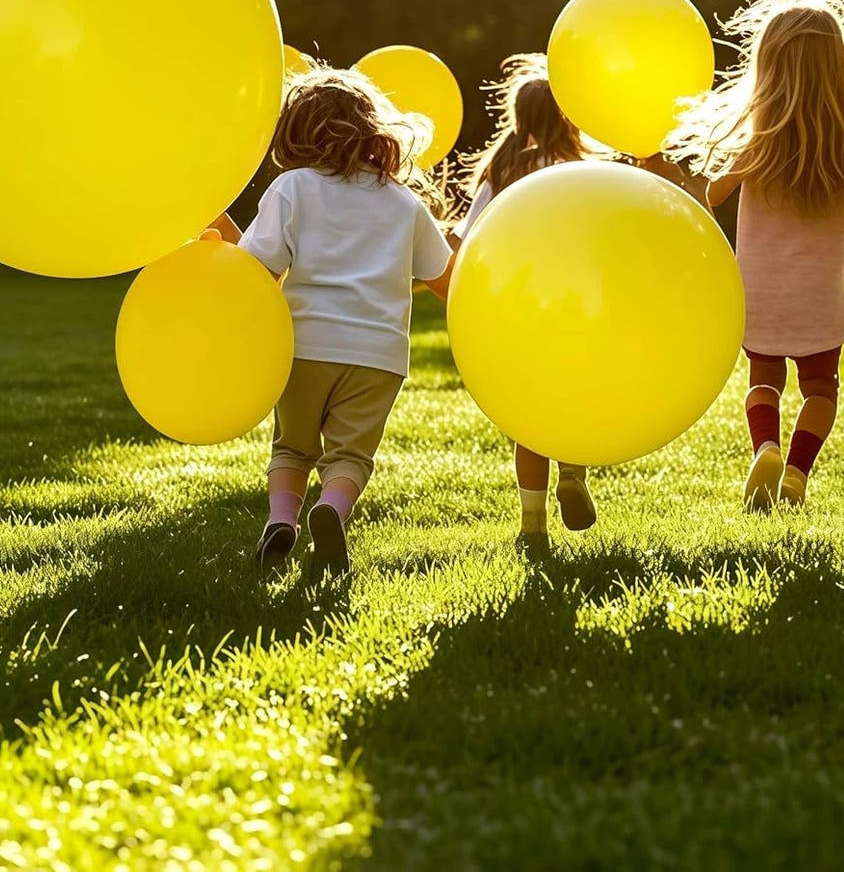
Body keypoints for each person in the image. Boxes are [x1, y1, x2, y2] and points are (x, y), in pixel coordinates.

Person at [670, 0, 844, 512]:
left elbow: (714, 193)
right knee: (820, 387)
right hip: (821, 290)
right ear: (838, 59)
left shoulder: (764, 128)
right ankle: (795, 473)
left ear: (770, 63)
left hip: (759, 286)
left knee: (763, 378)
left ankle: (765, 448)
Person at [211, 66, 454, 579]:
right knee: (351, 457)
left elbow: (257, 273)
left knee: (292, 448)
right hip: (378, 355)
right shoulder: (402, 201)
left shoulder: (292, 188)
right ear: (372, 128)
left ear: (295, 130)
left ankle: (282, 521)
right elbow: (447, 280)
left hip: (304, 347)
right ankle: (331, 510)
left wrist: (225, 236)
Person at [458, 53, 598, 539]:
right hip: (573, 306)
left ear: (519, 119)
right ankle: (573, 472)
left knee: (529, 415)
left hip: (517, 308)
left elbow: (470, 240)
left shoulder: (501, 172)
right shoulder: (580, 172)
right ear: (568, 115)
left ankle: (532, 523)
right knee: (573, 396)